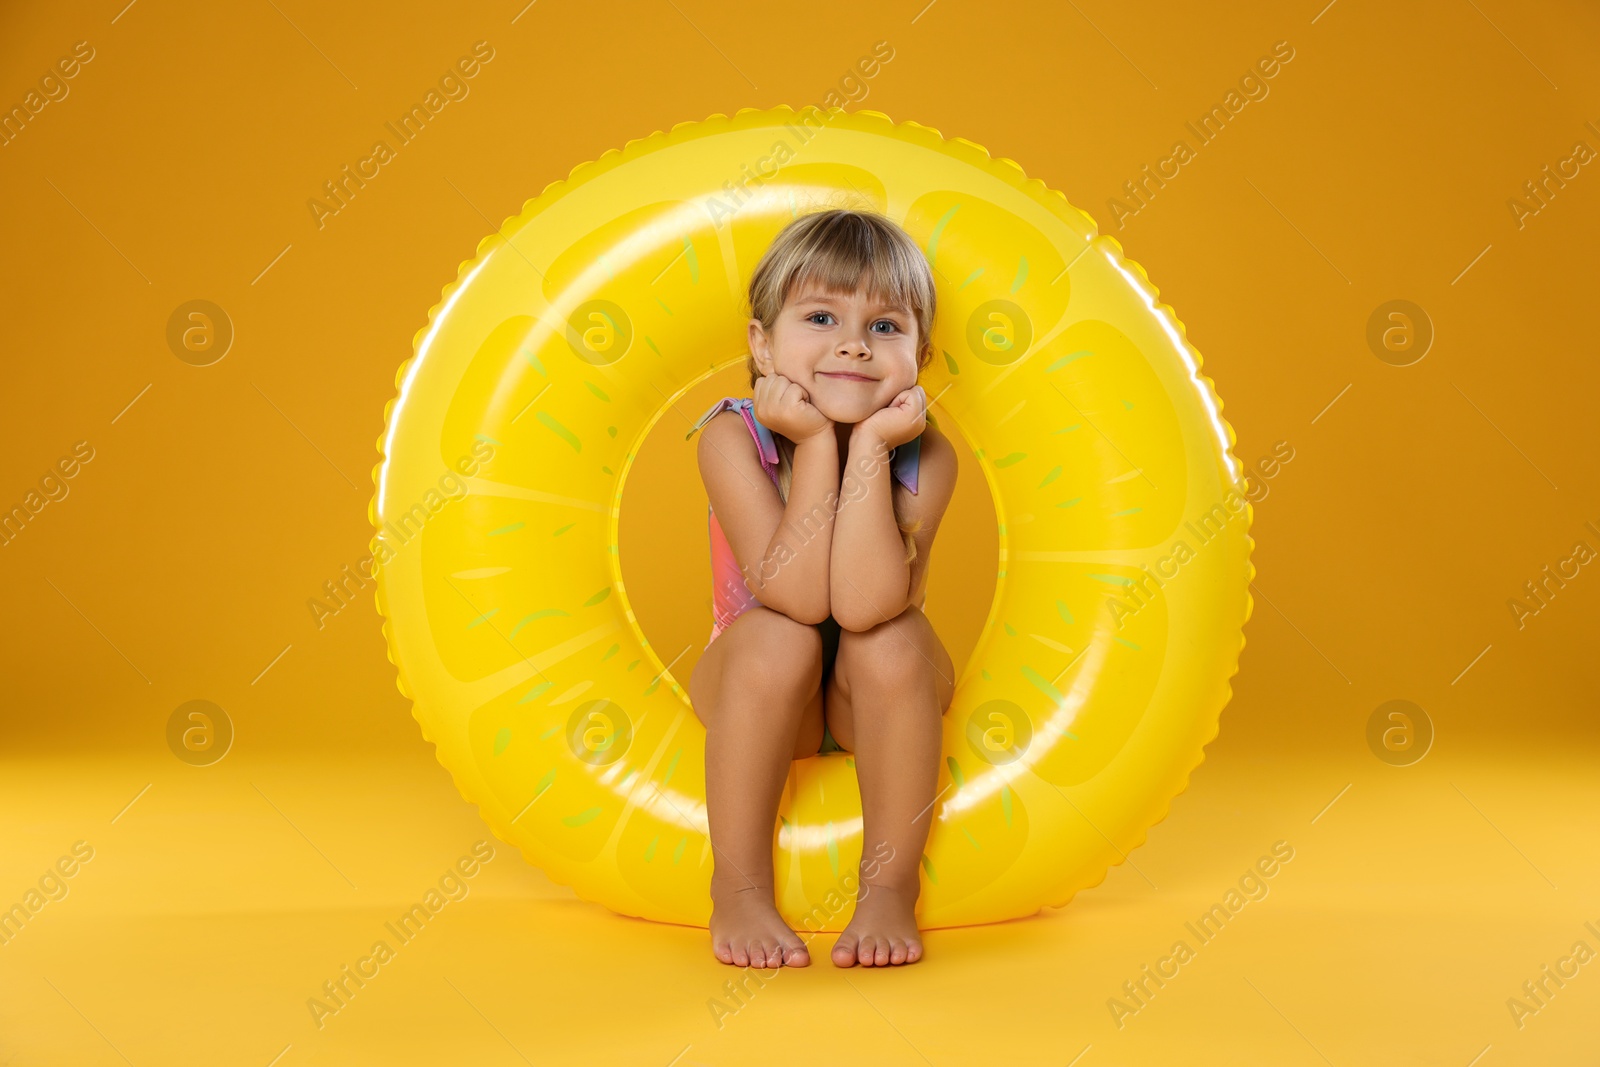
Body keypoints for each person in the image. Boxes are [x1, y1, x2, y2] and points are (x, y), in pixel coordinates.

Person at [686, 208, 958, 968]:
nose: (851, 344)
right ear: (761, 342)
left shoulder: (927, 456)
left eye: (884, 327)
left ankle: (888, 889)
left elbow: (867, 603)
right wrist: (811, 443)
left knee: (890, 637)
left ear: (920, 354)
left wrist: (869, 446)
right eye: (820, 317)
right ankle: (738, 889)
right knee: (779, 637)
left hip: (873, 701)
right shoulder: (730, 438)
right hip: (769, 694)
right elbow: (796, 598)